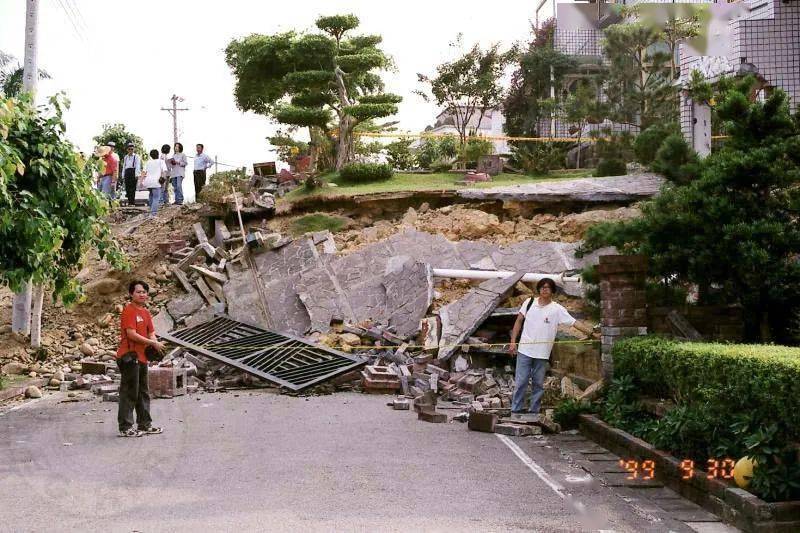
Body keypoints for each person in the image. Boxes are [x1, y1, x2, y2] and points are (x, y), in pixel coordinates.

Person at [508, 278, 594, 420]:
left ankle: (534, 412)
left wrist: (591, 333)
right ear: (539, 289)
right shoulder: (529, 303)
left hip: (542, 353)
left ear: (552, 291)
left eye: (548, 287)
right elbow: (518, 321)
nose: (544, 289)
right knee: (521, 381)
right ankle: (515, 411)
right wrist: (512, 342)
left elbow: (574, 323)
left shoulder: (557, 309)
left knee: (538, 383)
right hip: (524, 350)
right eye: (542, 287)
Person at [116, 281, 165, 437]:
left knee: (143, 392)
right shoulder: (128, 311)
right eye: (138, 292)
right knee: (130, 392)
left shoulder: (145, 312)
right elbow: (131, 334)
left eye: (144, 292)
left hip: (142, 357)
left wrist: (156, 343)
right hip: (129, 356)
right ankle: (125, 427)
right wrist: (152, 342)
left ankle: (145, 424)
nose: (142, 294)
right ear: (131, 294)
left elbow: (151, 332)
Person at [141, 149, 167, 218]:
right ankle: (153, 214)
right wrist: (163, 179)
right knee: (156, 197)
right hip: (156, 182)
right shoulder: (161, 161)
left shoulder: (148, 162)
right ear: (158, 155)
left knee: (151, 196)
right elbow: (164, 171)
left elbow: (143, 172)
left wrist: (141, 181)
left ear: (151, 156)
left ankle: (150, 211)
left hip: (148, 181)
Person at [121, 142, 142, 206]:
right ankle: (129, 201)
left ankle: (132, 202)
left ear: (134, 149)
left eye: (132, 149)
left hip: (133, 171)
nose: (130, 150)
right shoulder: (126, 157)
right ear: (127, 149)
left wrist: (136, 174)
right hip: (127, 171)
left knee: (132, 188)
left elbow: (138, 165)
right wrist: (123, 174)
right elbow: (124, 166)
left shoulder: (136, 156)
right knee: (127, 187)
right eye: (129, 149)